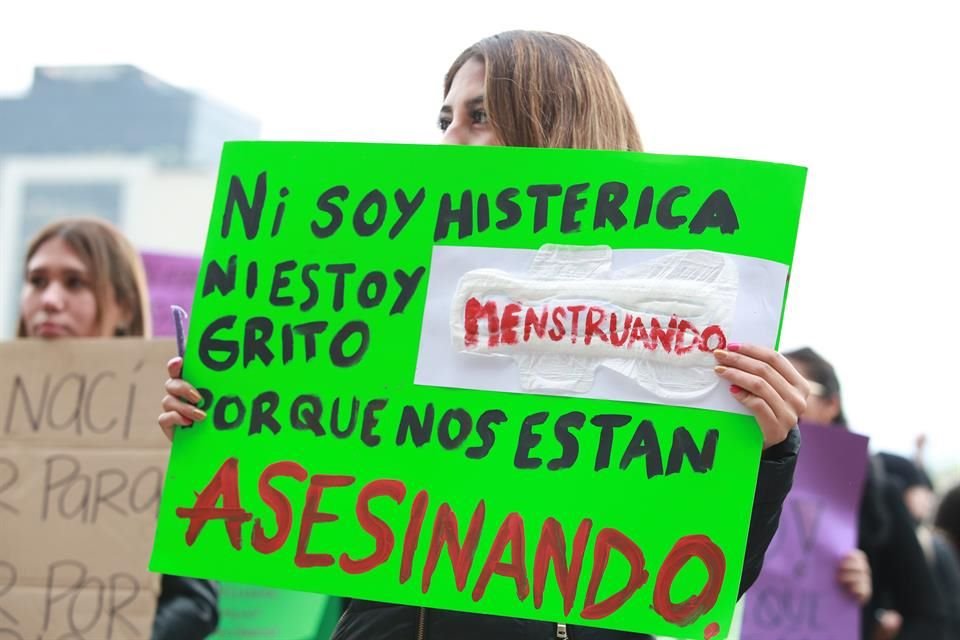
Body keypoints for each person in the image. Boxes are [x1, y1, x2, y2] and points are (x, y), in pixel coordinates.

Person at [159, 30, 808, 640]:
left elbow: (691, 574)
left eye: (479, 117)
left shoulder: (675, 326)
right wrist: (219, 416)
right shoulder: (389, 291)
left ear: (556, 127)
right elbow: (304, 459)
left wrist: (769, 450)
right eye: (445, 120)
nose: (449, 141)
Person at [17, 217, 220, 640]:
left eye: (75, 284)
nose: (50, 300)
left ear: (124, 304)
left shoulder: (169, 422)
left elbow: (194, 604)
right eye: (37, 281)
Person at [785, 347, 947, 640]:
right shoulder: (743, 483)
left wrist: (865, 613)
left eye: (794, 387)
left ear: (832, 404)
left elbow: (929, 618)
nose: (781, 398)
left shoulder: (877, 494)